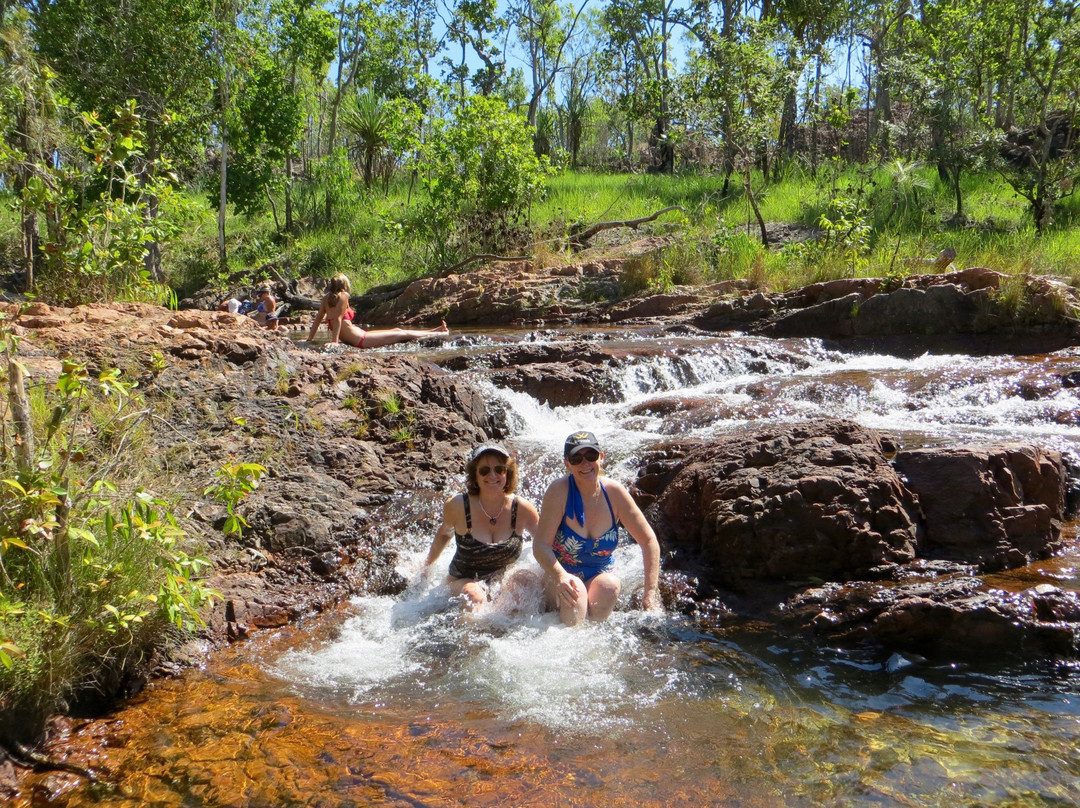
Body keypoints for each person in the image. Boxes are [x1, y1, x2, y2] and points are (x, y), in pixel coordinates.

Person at [533, 430, 662, 626]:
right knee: (575, 590)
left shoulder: (614, 493)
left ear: (601, 457)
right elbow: (540, 545)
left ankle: (592, 638)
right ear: (567, 463)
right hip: (560, 577)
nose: (585, 464)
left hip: (598, 576)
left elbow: (648, 540)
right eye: (577, 458)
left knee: (610, 585)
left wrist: (650, 593)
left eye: (590, 456)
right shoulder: (558, 492)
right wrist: (560, 575)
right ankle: (571, 638)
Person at [424, 443, 540, 611]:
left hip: (500, 581)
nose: (492, 475)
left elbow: (546, 542)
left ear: (507, 473)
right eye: (484, 470)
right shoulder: (458, 506)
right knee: (475, 594)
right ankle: (468, 635)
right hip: (462, 581)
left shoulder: (521, 508)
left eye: (499, 469)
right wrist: (426, 567)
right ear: (475, 476)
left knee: (525, 582)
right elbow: (444, 534)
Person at [305, 273, 449, 348]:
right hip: (361, 339)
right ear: (345, 285)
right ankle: (437, 333)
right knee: (400, 334)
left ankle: (434, 331)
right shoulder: (344, 296)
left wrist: (309, 339)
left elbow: (318, 319)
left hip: (360, 335)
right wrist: (334, 341)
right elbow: (337, 319)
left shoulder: (325, 299)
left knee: (398, 330)